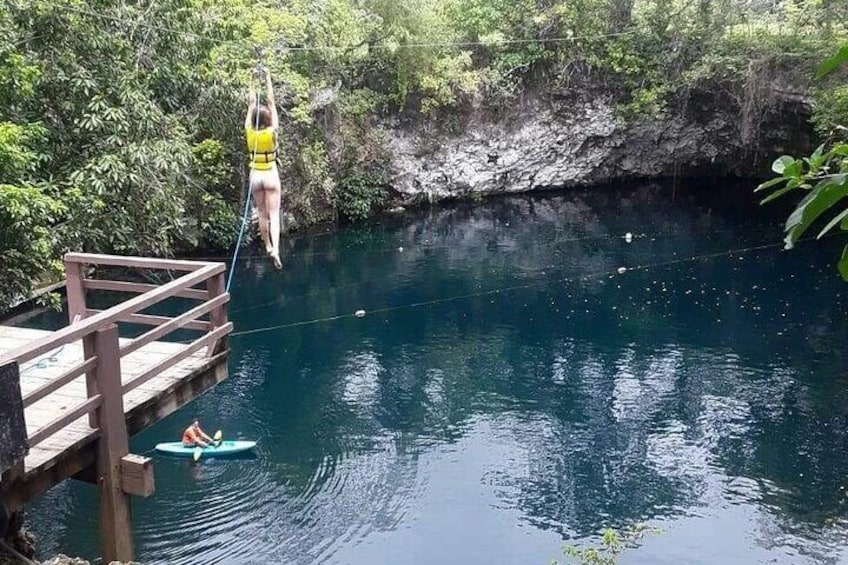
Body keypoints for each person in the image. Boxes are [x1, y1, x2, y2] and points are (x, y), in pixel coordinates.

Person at [245, 66, 283, 269]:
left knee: (261, 213)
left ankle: (267, 245)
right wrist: (267, 76)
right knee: (274, 214)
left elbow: (252, 103)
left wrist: (252, 79)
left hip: (255, 176)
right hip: (270, 174)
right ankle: (276, 248)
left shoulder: (249, 131)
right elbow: (271, 101)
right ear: (268, 119)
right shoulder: (272, 131)